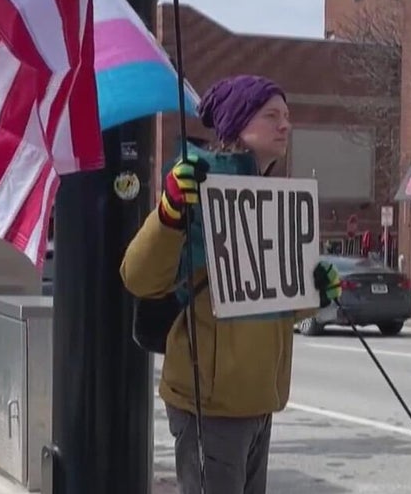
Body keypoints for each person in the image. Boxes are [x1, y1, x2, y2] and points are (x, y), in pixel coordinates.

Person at [120, 74, 342, 494]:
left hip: (258, 402)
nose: (285, 125)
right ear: (237, 125)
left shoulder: (269, 200)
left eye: (287, 116)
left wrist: (315, 291)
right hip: (210, 405)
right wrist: (168, 215)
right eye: (271, 115)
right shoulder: (196, 188)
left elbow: (264, 297)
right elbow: (138, 276)